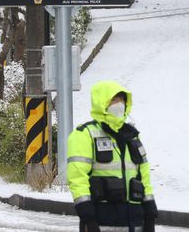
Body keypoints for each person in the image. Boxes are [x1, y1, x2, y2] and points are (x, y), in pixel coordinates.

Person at [67, 80, 157, 232]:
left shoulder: (132, 137)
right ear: (102, 103)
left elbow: (144, 175)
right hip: (102, 217)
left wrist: (150, 211)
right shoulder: (85, 134)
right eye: (114, 100)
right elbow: (78, 176)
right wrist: (87, 215)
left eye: (122, 99)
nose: (119, 104)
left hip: (134, 220)